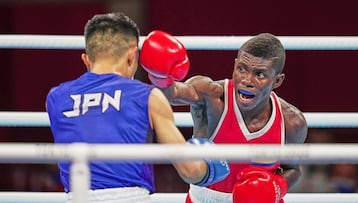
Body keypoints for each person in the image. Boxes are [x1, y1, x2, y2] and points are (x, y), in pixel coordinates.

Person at [45, 12, 229, 203]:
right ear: (132, 56)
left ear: (86, 60)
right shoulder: (147, 96)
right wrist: (210, 167)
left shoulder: (56, 98)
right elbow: (190, 170)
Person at [140, 30, 308, 203]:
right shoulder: (212, 96)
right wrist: (160, 77)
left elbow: (293, 169)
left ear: (277, 81)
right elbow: (171, 95)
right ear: (235, 64)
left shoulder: (292, 122)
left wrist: (276, 187)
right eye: (242, 69)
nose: (247, 80)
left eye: (260, 74)